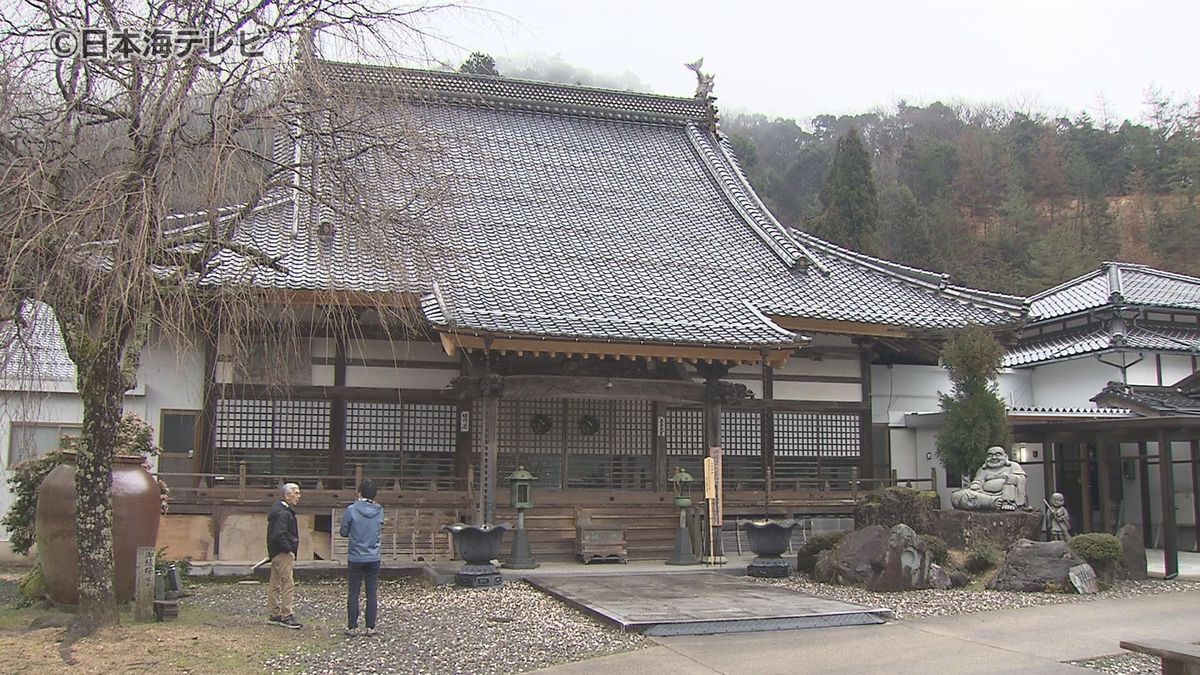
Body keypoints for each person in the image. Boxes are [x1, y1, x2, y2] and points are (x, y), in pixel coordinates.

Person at [340, 479, 384, 637]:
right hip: (373, 555)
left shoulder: (351, 509)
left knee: (354, 591)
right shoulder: (379, 510)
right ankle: (370, 627)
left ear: (359, 492)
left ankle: (352, 626)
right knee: (371, 592)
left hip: (355, 556)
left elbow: (343, 531)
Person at [267, 482, 302, 629]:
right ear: (287, 495)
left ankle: (274, 613)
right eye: (296, 493)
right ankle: (287, 614)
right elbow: (279, 534)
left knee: (275, 582)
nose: (298, 496)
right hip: (282, 553)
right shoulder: (283, 513)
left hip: (274, 551)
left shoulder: (278, 510)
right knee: (287, 583)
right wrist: (288, 549)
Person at [950, 445, 1028, 511]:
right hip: (985, 496)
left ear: (1006, 456)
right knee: (956, 496)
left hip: (1005, 495)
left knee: (1010, 485)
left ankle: (1006, 502)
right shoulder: (983, 469)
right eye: (990, 455)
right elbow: (977, 481)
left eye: (998, 454)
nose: (993, 457)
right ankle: (992, 503)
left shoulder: (1013, 466)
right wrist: (976, 484)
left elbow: (1021, 479)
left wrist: (1011, 479)